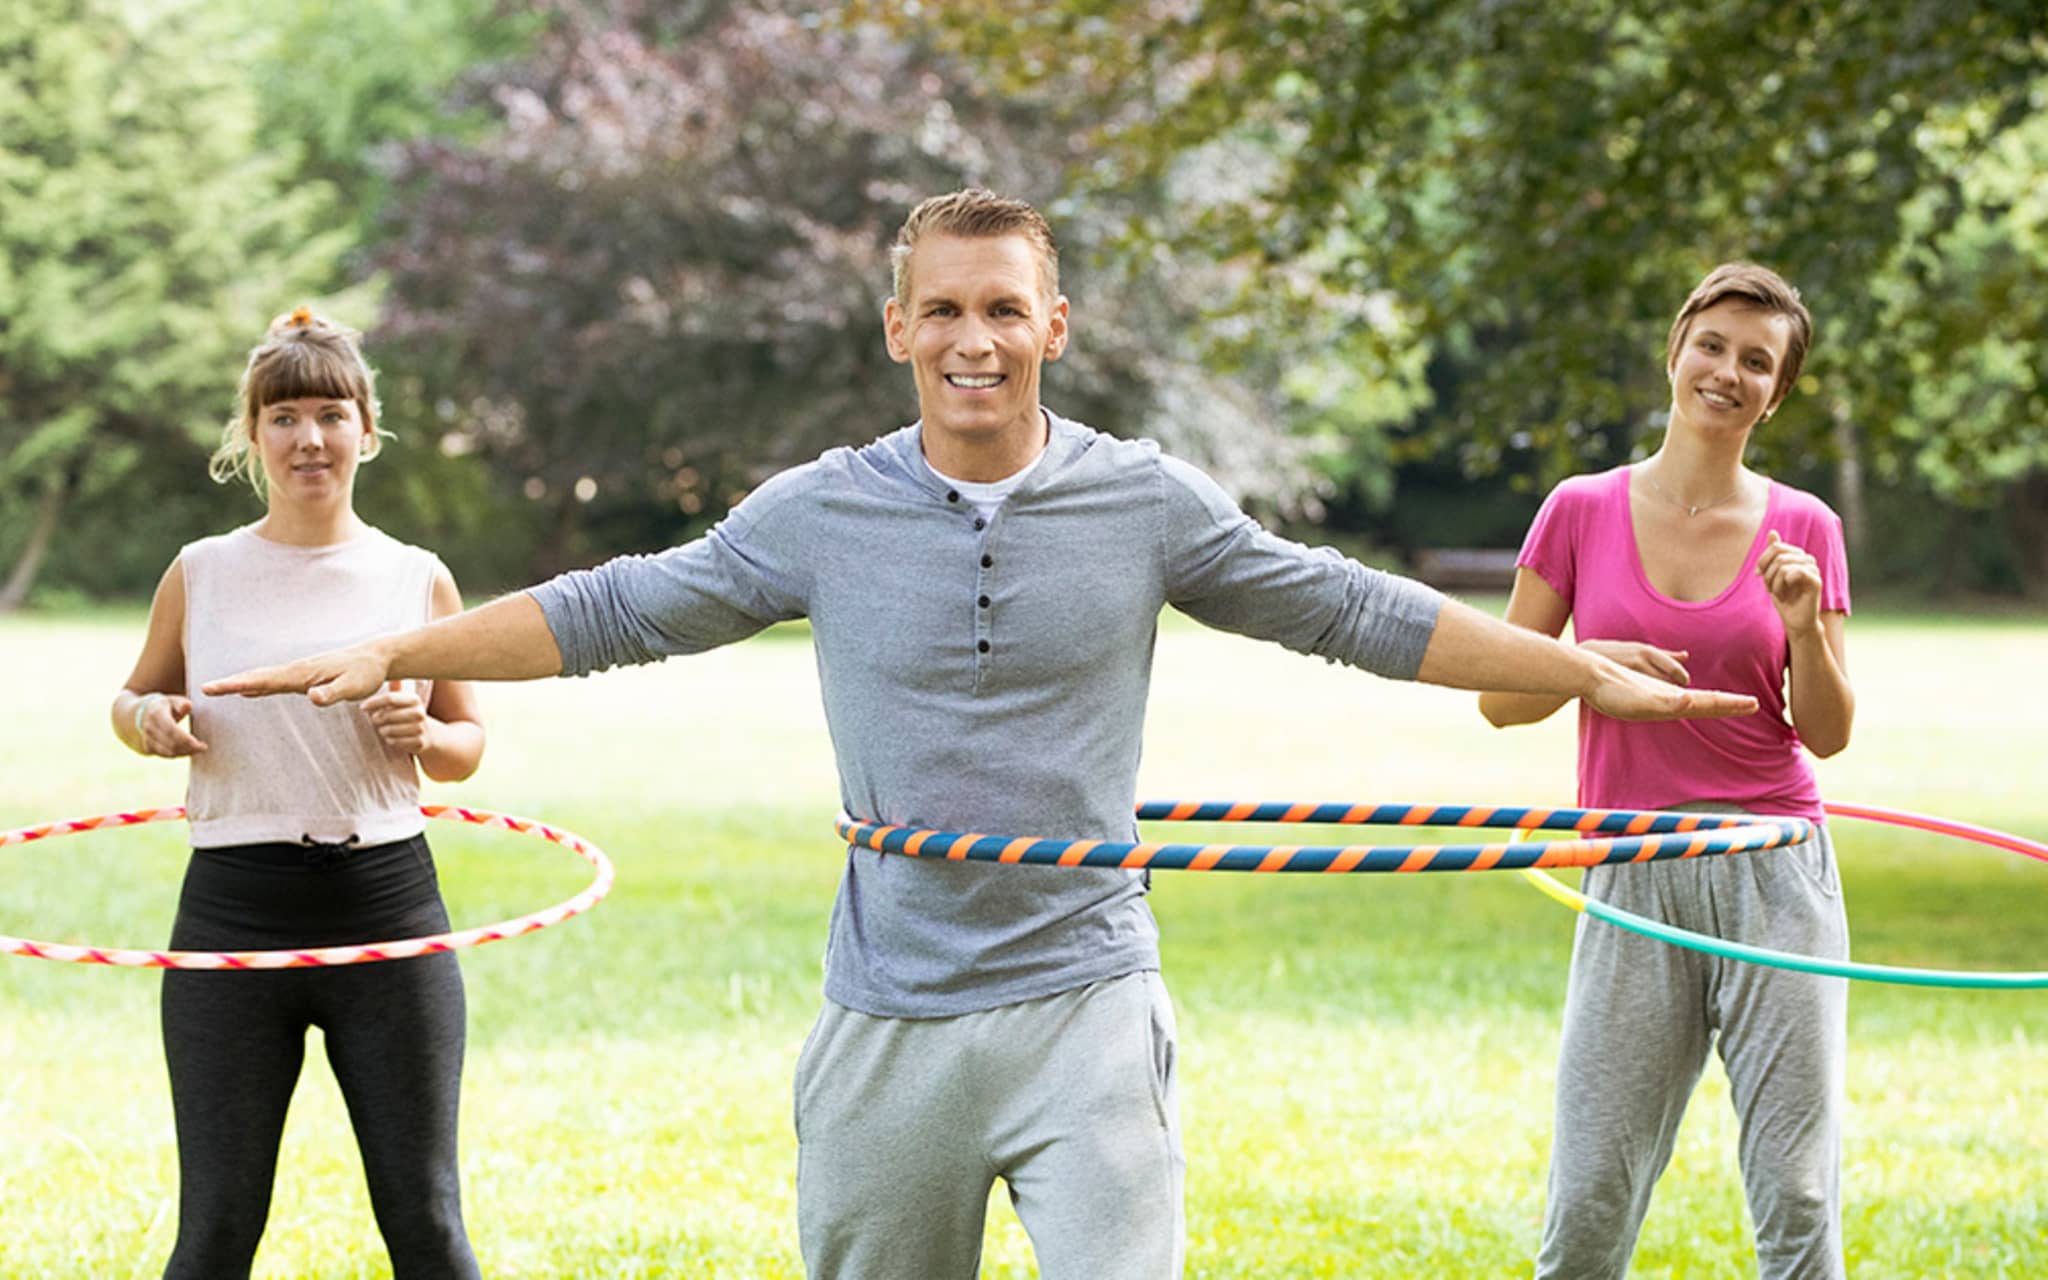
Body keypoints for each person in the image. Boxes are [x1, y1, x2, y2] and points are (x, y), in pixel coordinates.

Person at [207, 191, 1758, 1280]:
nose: (974, 338)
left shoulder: (1143, 500)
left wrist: (1569, 669)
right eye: (942, 308)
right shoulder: (823, 510)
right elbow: (620, 608)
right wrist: (403, 645)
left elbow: (1342, 606)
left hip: (1086, 991)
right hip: (893, 1006)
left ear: (1054, 326)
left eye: (1003, 308)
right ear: (897, 327)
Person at [1478, 263, 1855, 1279]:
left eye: (1755, 362)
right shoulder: (1578, 508)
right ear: (1675, 348)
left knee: (1796, 1184)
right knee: (1592, 1184)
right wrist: (1587, 670)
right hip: (1632, 863)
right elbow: (1500, 697)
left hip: (1772, 865)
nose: (1725, 371)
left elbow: (1826, 732)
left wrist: (1800, 629)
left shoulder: (1803, 527)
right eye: (1713, 344)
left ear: (1774, 394)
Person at [113, 308, 487, 1279]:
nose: (308, 438)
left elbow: (465, 746)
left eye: (329, 413)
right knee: (215, 1230)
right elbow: (134, 692)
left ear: (367, 427)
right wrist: (147, 721)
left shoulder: (416, 577)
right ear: (251, 435)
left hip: (388, 909)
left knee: (429, 1225)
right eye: (282, 417)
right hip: (234, 912)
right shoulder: (202, 572)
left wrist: (424, 732)